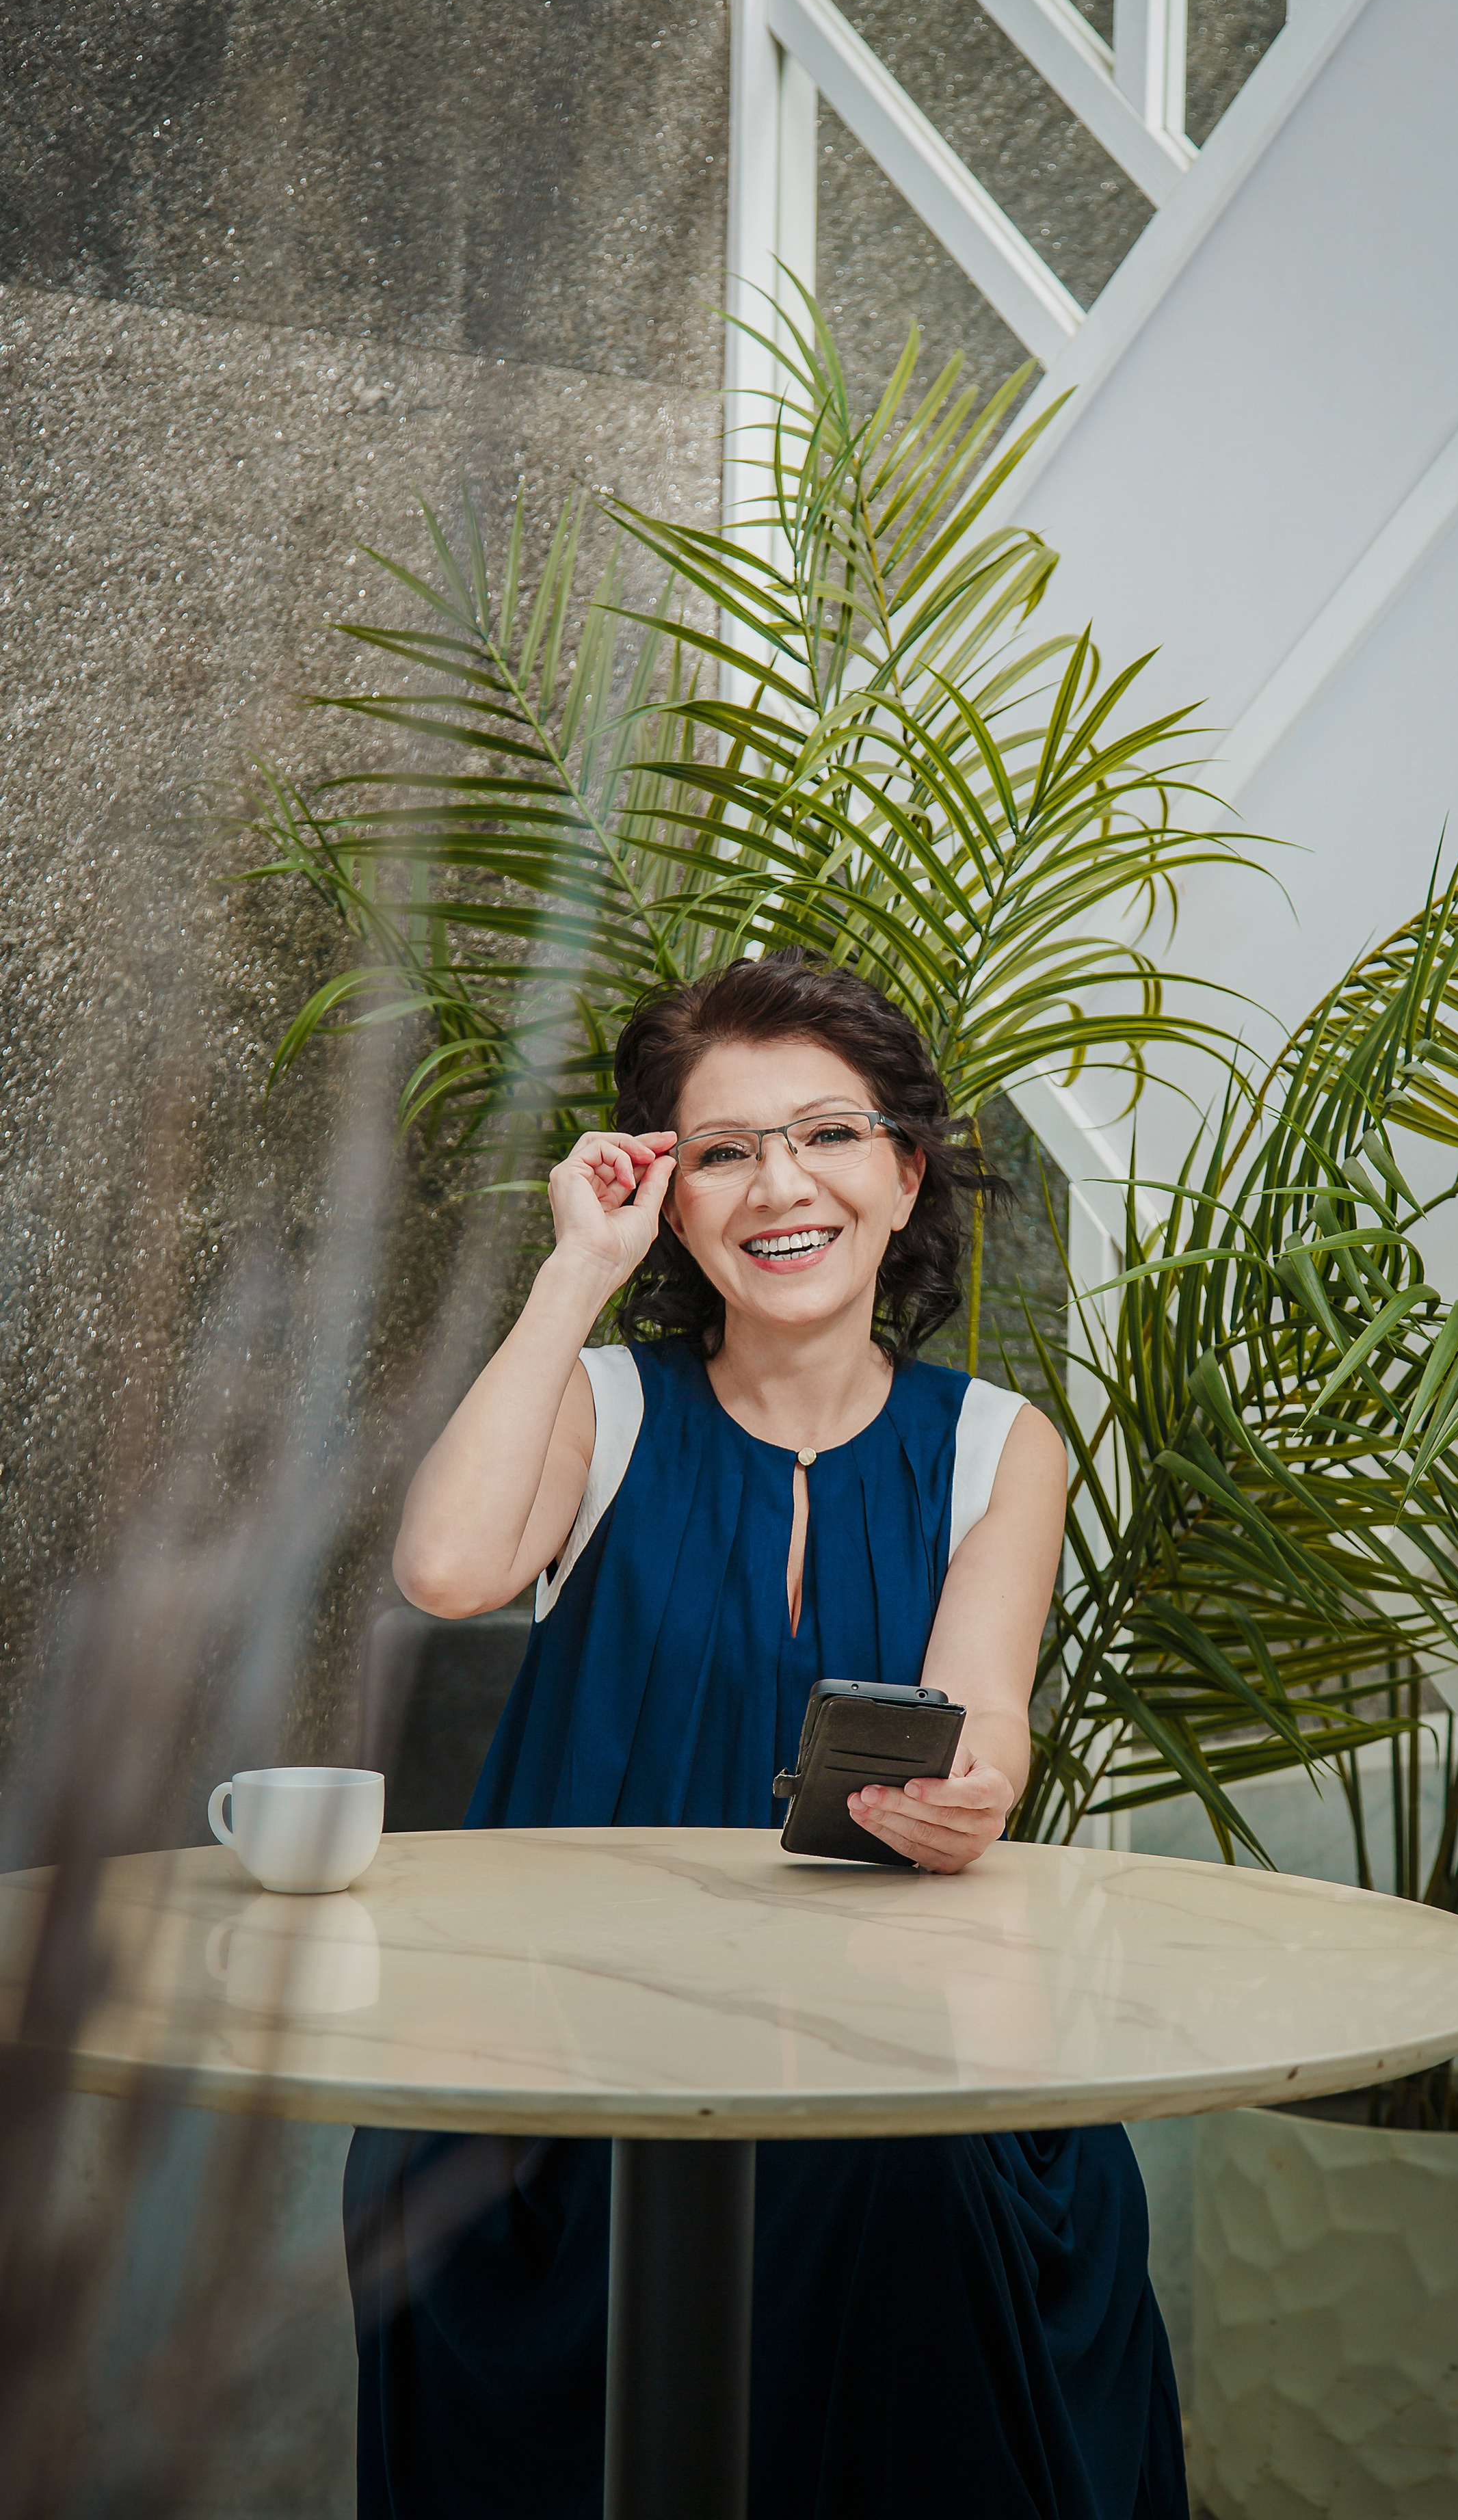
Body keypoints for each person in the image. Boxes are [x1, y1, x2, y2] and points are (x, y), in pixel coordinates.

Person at [343, 947, 1191, 2519]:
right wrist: (568, 1274)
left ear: (902, 1171)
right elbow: (448, 1568)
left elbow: (983, 1721)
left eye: (825, 1135)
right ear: (666, 1197)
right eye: (720, 1152)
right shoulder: (601, 1405)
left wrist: (972, 1797)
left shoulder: (999, 1445)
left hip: (883, 2048)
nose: (775, 1185)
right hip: (572, 2050)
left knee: (930, 2186)